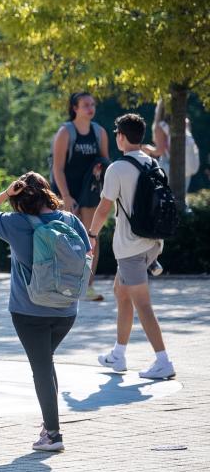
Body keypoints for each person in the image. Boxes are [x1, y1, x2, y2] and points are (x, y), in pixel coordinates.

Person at [0, 172, 90, 452]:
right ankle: (49, 427)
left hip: (29, 312)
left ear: (20, 196)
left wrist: (5, 193)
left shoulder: (15, 223)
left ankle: (53, 434)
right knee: (45, 362)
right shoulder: (70, 220)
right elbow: (88, 252)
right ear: (47, 191)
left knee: (41, 368)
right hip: (67, 310)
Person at [89, 114, 176, 380]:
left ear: (122, 137)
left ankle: (163, 361)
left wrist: (92, 234)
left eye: (117, 133)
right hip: (152, 243)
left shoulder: (117, 168)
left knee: (143, 304)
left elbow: (104, 207)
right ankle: (118, 354)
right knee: (121, 292)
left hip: (130, 247)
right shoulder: (152, 162)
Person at [50, 92, 109, 301]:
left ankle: (87, 286)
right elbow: (57, 168)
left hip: (90, 193)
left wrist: (101, 172)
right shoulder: (66, 132)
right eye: (85, 105)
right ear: (74, 108)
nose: (90, 108)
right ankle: (64, 286)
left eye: (92, 104)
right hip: (67, 192)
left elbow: (106, 163)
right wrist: (65, 196)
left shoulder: (100, 132)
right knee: (66, 239)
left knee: (92, 237)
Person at [145, 98, 199, 199]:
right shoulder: (185, 122)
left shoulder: (160, 126)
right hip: (187, 167)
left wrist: (147, 149)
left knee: (164, 199)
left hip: (169, 168)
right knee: (180, 199)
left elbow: (160, 151)